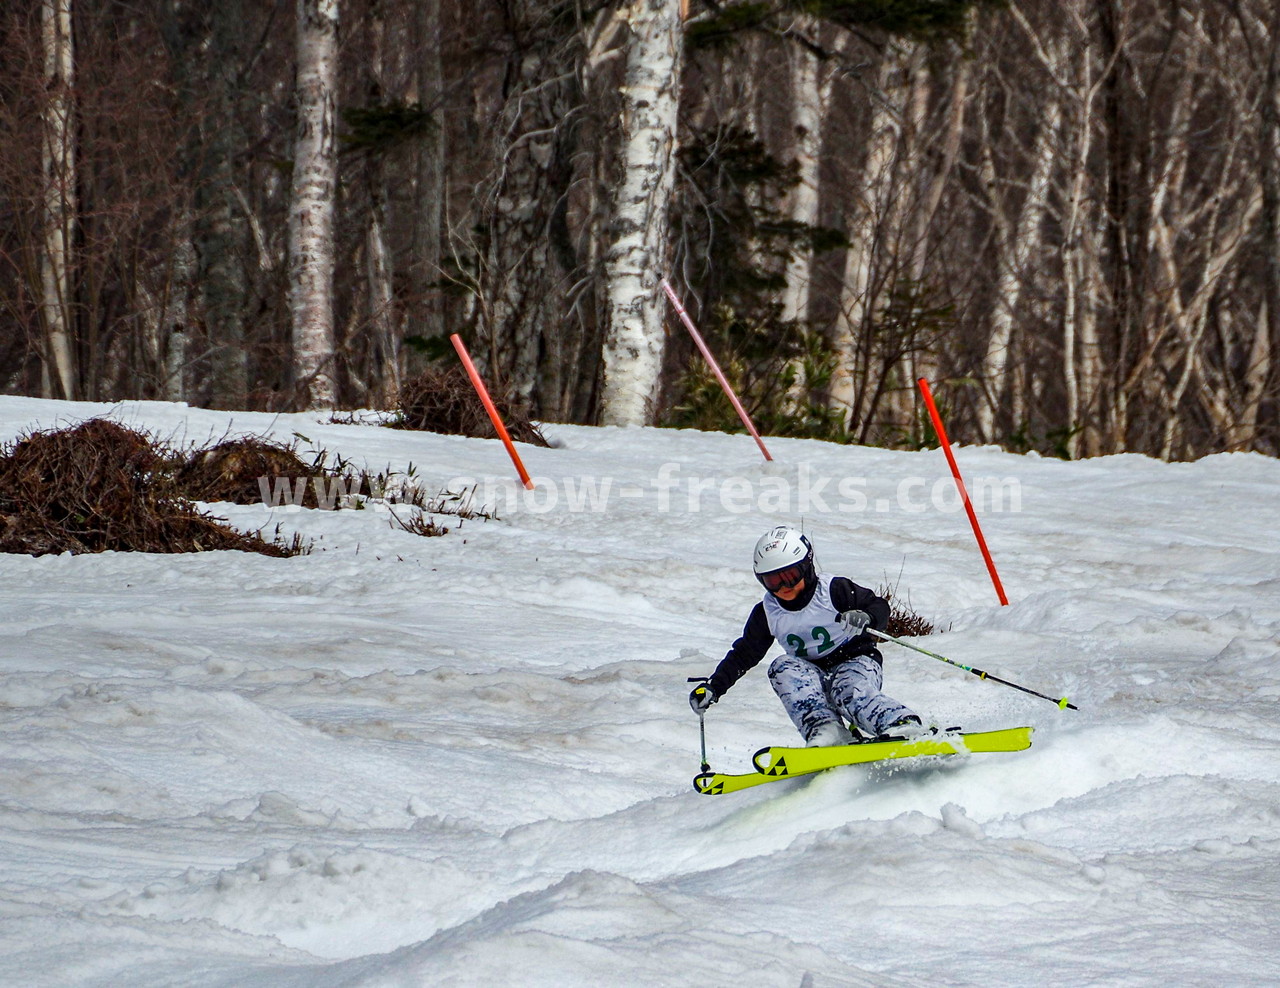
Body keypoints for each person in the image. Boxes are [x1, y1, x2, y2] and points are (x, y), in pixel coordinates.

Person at [689, 525, 924, 747]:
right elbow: (743, 655)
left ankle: (900, 724)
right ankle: (828, 731)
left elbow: (878, 605)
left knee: (848, 689)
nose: (783, 587)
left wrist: (867, 617)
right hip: (809, 675)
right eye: (773, 581)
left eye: (790, 576)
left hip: (855, 661)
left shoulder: (833, 590)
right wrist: (714, 687)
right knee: (781, 666)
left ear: (806, 567)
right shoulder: (767, 613)